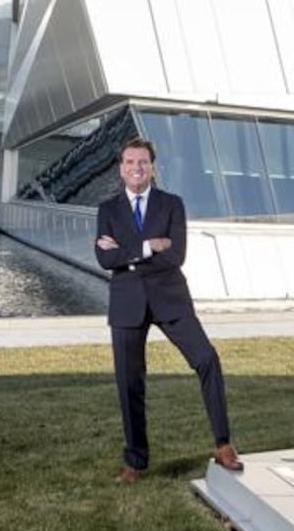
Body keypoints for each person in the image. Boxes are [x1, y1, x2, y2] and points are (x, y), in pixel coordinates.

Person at [95, 137, 242, 482]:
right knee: (129, 382)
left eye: (143, 162)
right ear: (121, 169)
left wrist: (127, 255)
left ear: (152, 167)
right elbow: (103, 258)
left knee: (207, 359)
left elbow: (176, 256)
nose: (136, 168)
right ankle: (135, 462)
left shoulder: (172, 204)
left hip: (170, 299)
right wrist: (148, 246)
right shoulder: (108, 210)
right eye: (130, 162)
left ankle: (223, 444)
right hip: (127, 303)